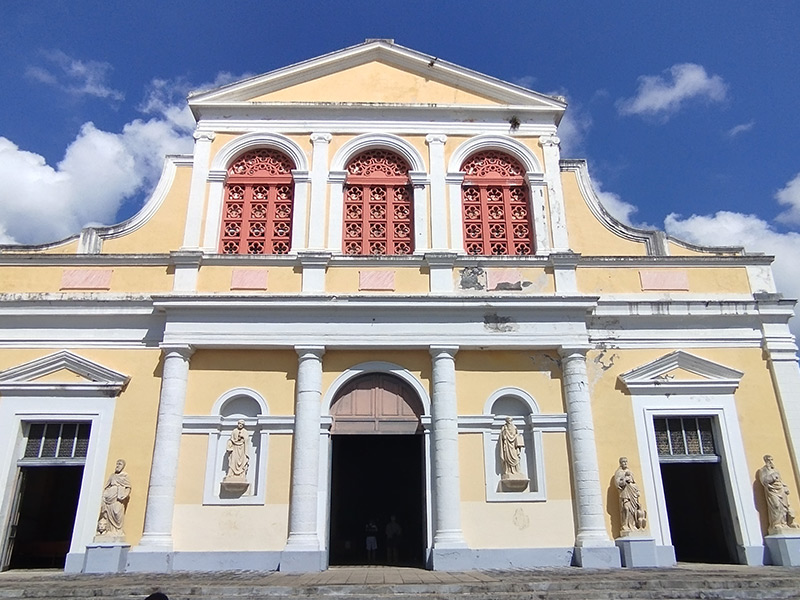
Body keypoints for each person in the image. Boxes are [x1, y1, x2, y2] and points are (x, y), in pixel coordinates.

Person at [758, 454, 799, 534]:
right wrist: (772, 477)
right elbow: (763, 481)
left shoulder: (776, 470)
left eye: (771, 460)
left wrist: (785, 487)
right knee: (775, 506)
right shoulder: (763, 470)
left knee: (784, 507)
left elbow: (780, 480)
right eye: (769, 460)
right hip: (772, 491)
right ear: (765, 460)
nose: (771, 461)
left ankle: (784, 523)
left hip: (781, 489)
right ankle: (776, 523)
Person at [98, 458, 131, 539]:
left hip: (118, 498)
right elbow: (107, 486)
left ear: (123, 466)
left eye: (120, 464)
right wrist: (104, 495)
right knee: (108, 514)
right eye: (117, 463)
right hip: (109, 499)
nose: (117, 465)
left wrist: (125, 495)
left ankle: (118, 530)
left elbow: (128, 487)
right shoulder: (112, 476)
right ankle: (110, 531)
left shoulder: (124, 476)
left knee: (117, 513)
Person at [615, 457, 646, 534]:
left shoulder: (630, 472)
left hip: (632, 493)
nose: (625, 463)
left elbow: (633, 482)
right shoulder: (619, 473)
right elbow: (618, 483)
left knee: (633, 510)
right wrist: (624, 481)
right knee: (626, 508)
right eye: (623, 462)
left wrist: (636, 490)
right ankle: (625, 525)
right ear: (620, 463)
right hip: (624, 493)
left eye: (626, 461)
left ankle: (633, 525)